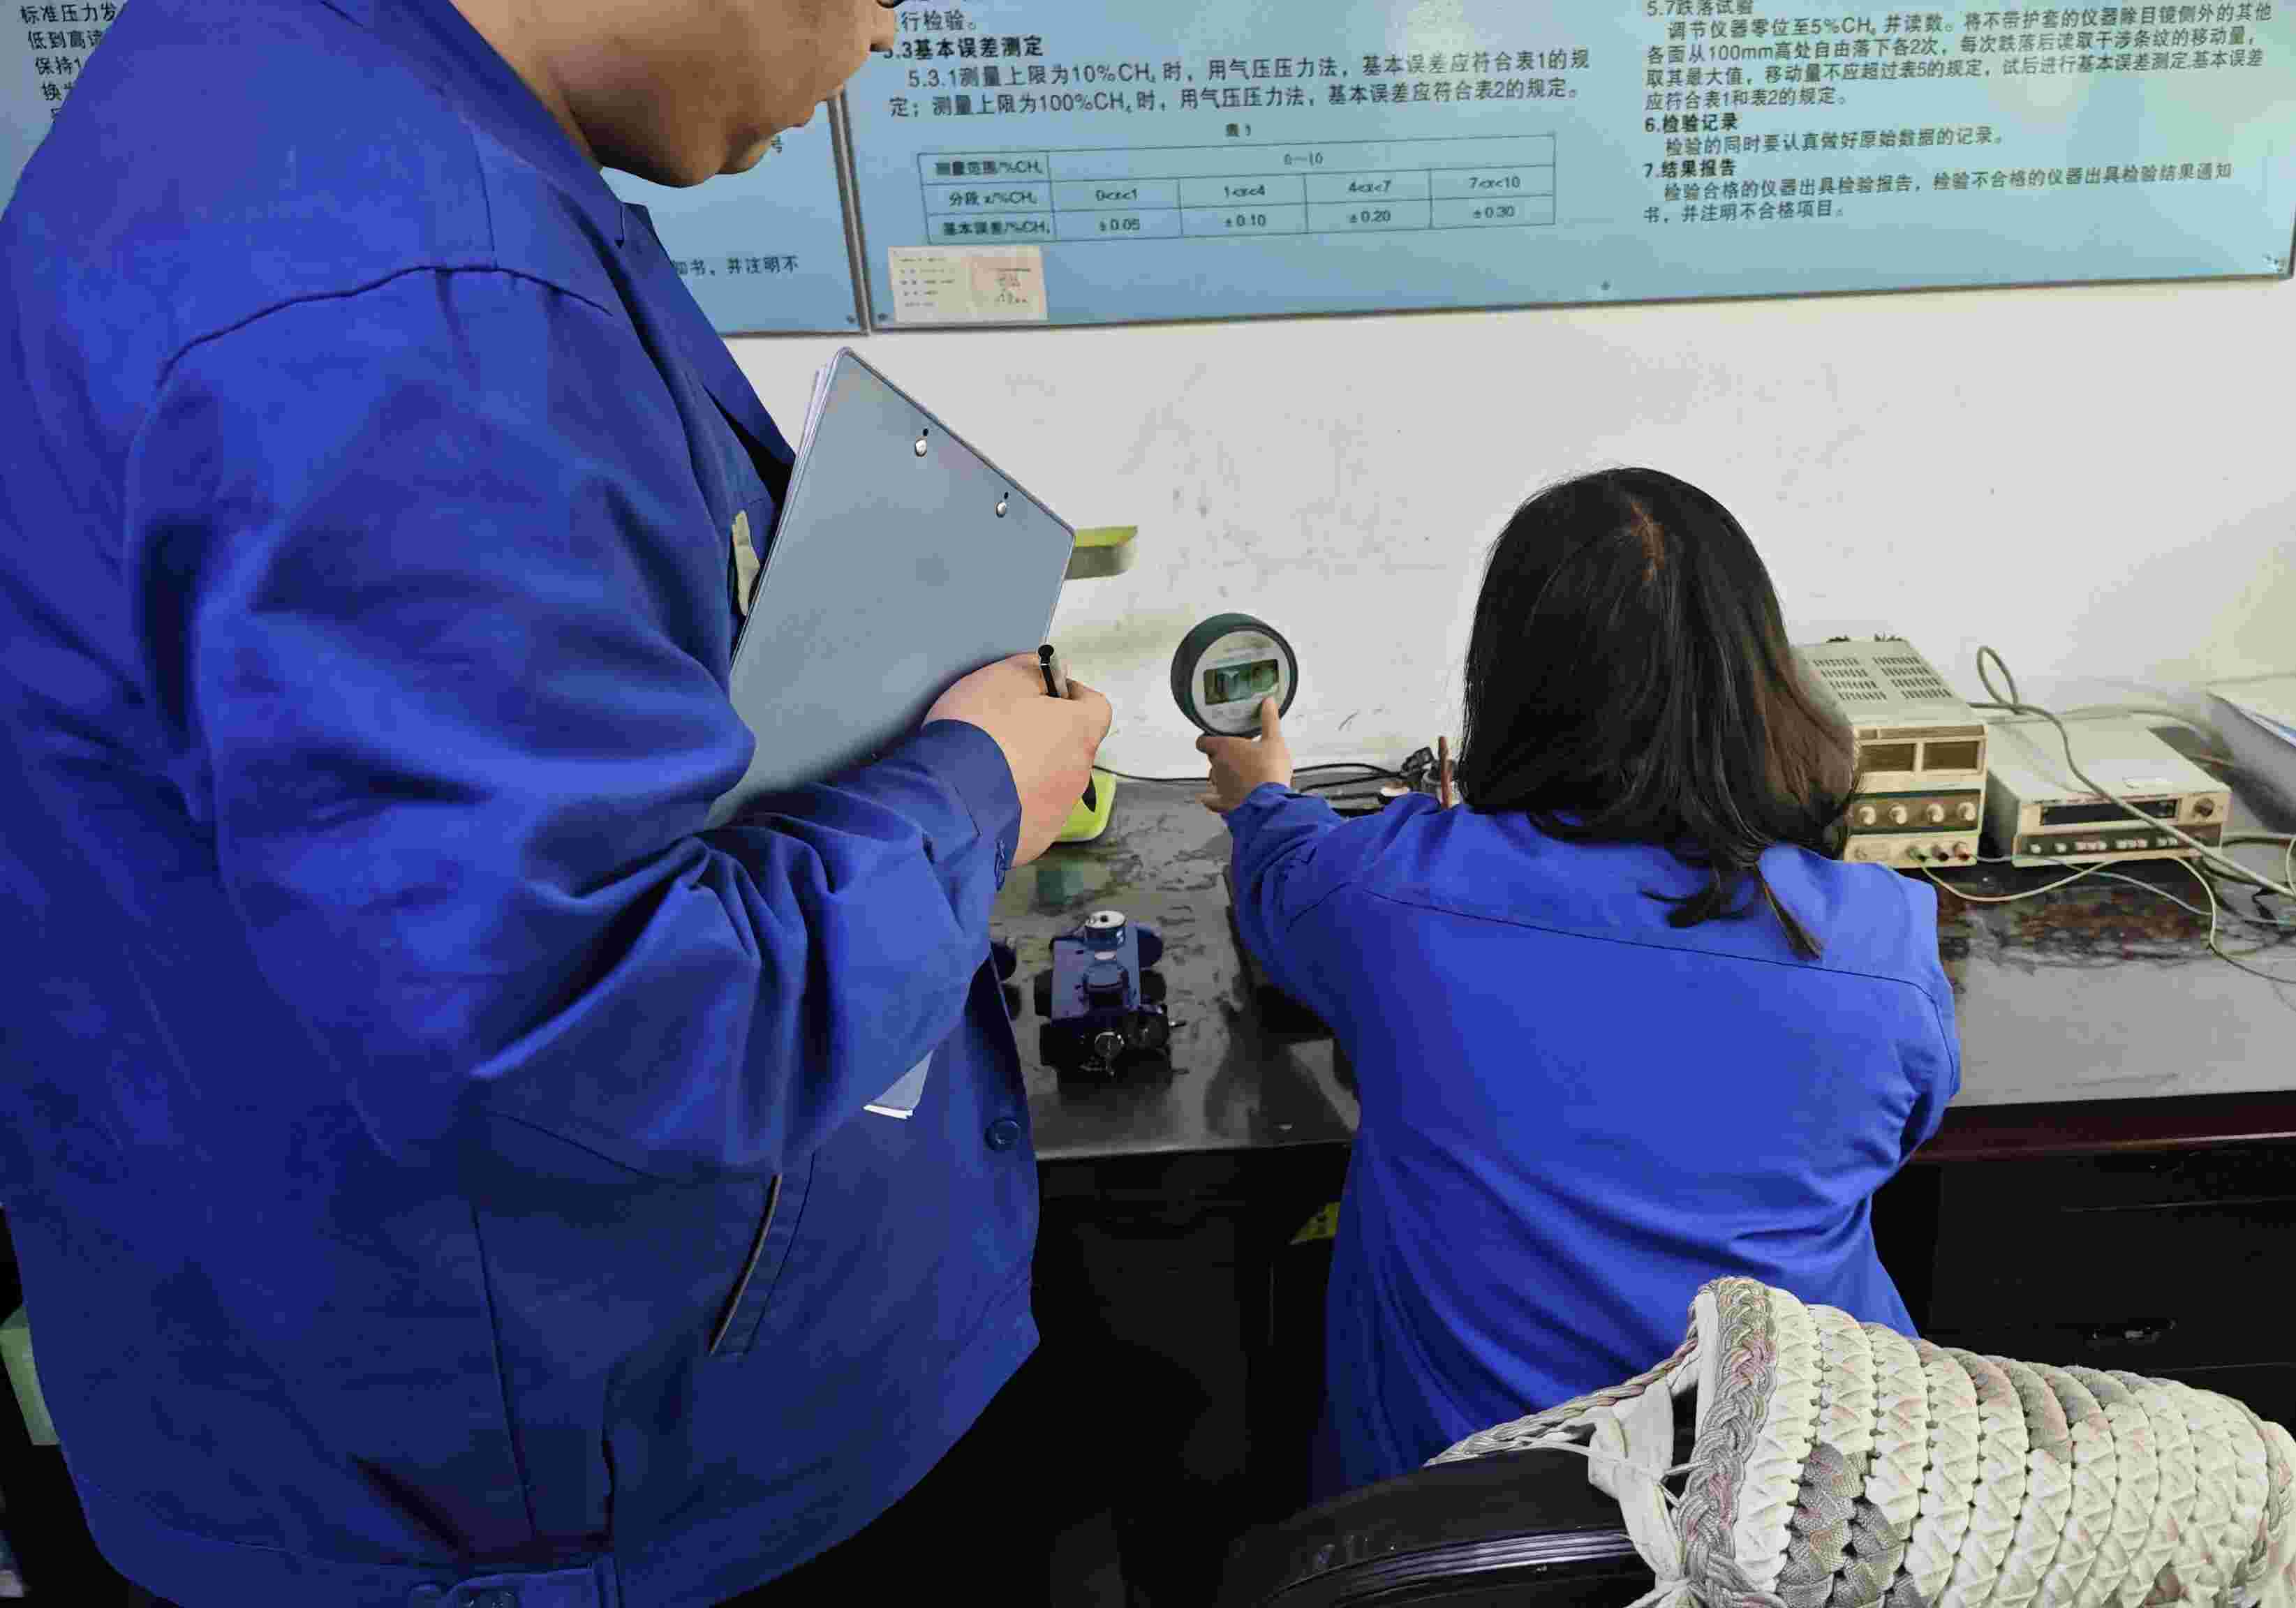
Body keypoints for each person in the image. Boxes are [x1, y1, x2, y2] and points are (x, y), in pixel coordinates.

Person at [0, 1, 1111, 1603]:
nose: (886, 33)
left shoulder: (266, 117)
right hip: (567, 1509)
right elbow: (596, 1021)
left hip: (363, 1401)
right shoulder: (402, 302)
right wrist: (976, 793)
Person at [1200, 468, 1960, 1499]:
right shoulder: (1884, 939)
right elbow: (1895, 1138)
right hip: (1798, 1511)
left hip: (1468, 1517)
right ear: (1762, 672)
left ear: (1512, 681)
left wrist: (1262, 796)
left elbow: (1281, 879)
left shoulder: (1388, 896)